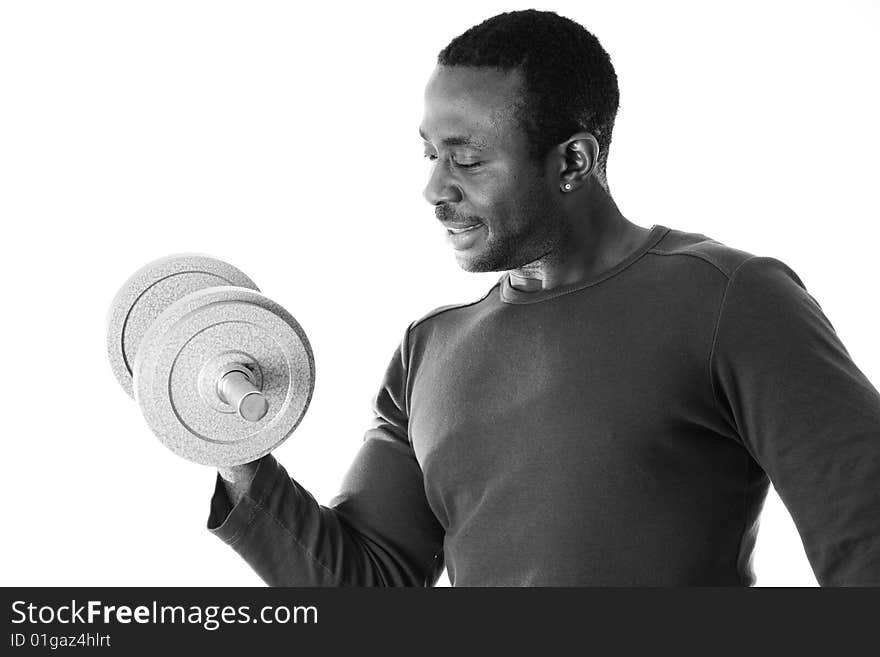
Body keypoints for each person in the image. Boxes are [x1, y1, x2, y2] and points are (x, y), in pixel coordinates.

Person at [207, 9, 880, 586]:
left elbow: (863, 535)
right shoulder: (427, 350)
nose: (435, 189)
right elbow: (368, 585)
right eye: (431, 156)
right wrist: (233, 444)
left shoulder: (732, 298)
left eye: (466, 160)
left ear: (574, 162)